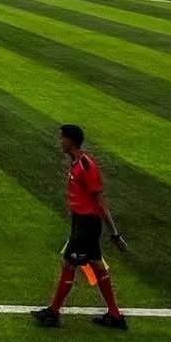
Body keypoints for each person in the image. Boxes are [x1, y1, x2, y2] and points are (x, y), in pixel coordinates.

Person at [32, 124, 128, 330]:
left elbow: (100, 200)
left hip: (87, 225)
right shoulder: (76, 164)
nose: (60, 142)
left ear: (71, 141)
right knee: (96, 264)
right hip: (81, 222)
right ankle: (115, 315)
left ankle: (53, 313)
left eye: (62, 138)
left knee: (69, 263)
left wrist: (115, 233)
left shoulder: (86, 166)